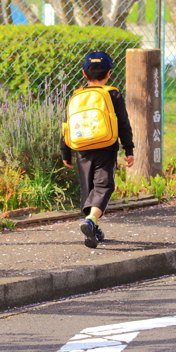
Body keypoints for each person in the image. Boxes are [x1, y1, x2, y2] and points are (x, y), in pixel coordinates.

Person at [61, 51, 134, 248]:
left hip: (81, 148)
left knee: (89, 189)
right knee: (104, 185)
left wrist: (65, 151)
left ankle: (93, 226)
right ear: (109, 72)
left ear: (84, 74)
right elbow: (123, 124)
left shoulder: (76, 95)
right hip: (106, 146)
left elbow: (66, 125)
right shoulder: (113, 94)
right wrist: (129, 149)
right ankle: (91, 221)